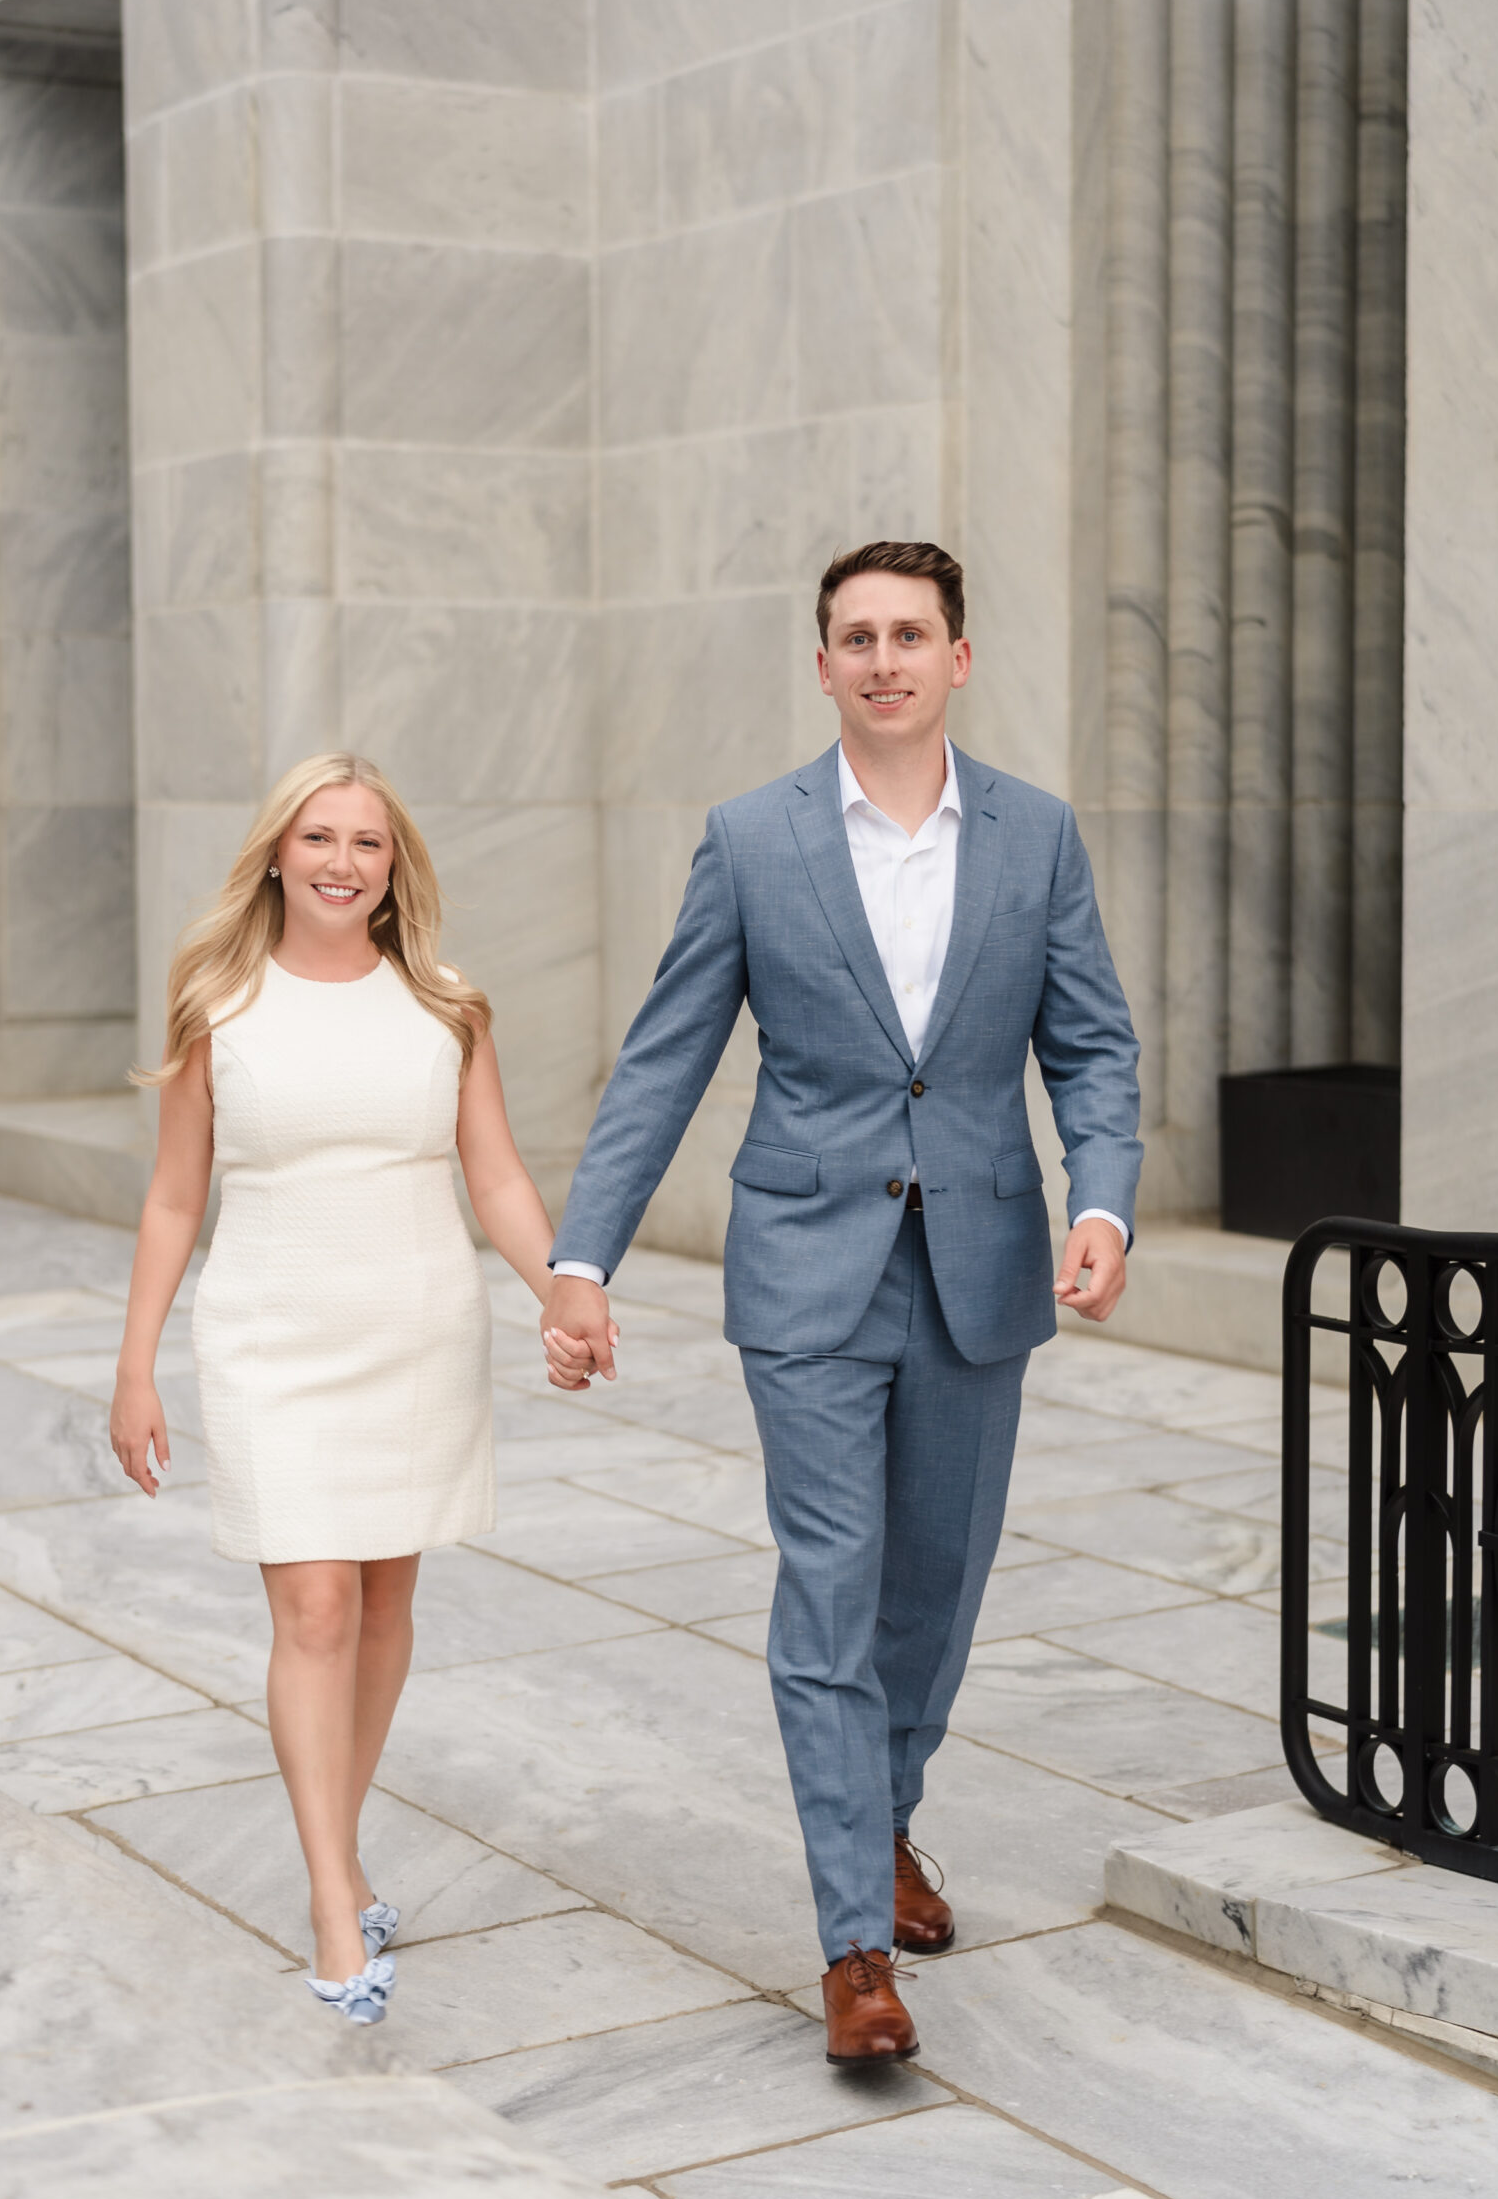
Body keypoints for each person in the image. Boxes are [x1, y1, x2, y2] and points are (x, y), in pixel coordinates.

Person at [541, 542, 1141, 2067]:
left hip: (979, 1272)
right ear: (821, 666)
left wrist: (1099, 1198)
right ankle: (851, 1949)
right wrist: (580, 1255)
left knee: (929, 1601)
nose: (882, 659)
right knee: (827, 1597)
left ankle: (884, 1821)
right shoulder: (752, 840)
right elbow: (665, 1054)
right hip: (805, 1275)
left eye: (909, 634)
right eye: (853, 637)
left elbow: (1090, 1045)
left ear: (956, 657)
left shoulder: (1034, 836)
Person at [109, 753, 577, 2025]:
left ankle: (343, 1840)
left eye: (368, 842)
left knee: (380, 1606)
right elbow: (172, 1196)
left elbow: (496, 1179)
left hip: (418, 1334)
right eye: (319, 836)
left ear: (394, 866)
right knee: (312, 1604)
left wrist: (561, 1287)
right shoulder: (218, 1002)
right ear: (276, 853)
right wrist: (136, 1362)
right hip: (270, 1338)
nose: (342, 861)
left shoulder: (447, 1005)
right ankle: (331, 1896)